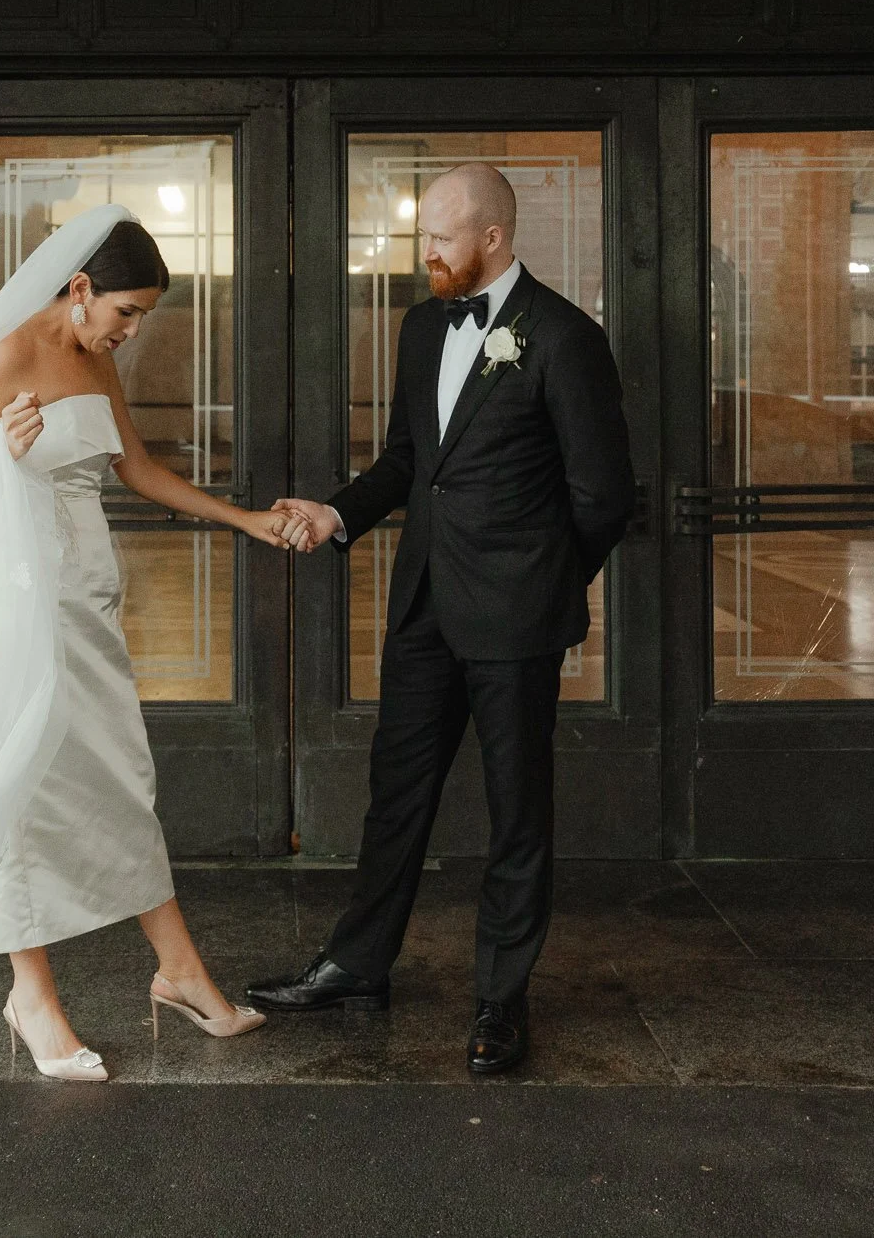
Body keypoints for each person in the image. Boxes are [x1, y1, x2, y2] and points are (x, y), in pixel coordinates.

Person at [0, 207, 309, 1082]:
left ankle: (179, 970)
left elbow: (138, 467)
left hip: (88, 602)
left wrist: (248, 521)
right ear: (78, 289)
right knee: (20, 781)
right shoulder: (6, 355)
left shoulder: (93, 361)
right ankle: (32, 995)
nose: (130, 331)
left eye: (142, 317)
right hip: (18, 604)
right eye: (125, 312)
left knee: (122, 775)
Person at [246, 164, 634, 1076]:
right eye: (424, 234)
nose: (424, 252)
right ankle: (358, 963)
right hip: (424, 606)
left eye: (439, 238)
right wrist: (337, 512)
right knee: (397, 794)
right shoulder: (424, 327)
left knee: (516, 811)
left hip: (516, 620)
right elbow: (407, 461)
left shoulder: (566, 338)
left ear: (492, 238)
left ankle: (502, 994)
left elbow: (604, 495)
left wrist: (542, 583)